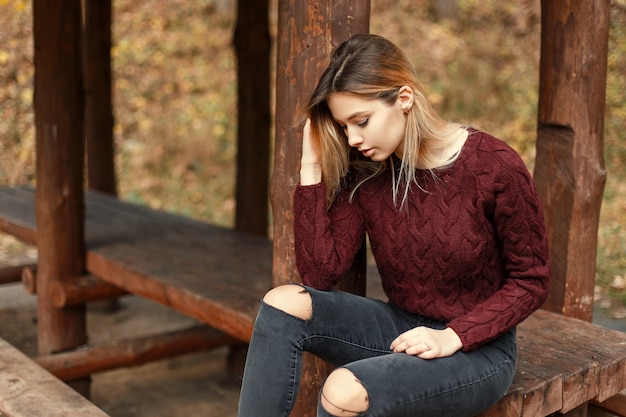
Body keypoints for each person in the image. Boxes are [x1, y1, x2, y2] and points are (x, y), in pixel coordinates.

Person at [237, 33, 550, 417]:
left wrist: (454, 335)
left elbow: (531, 280)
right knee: (283, 303)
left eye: (361, 121)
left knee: (343, 391)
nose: (352, 138)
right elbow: (319, 273)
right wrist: (311, 168)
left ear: (403, 99)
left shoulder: (494, 166)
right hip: (400, 326)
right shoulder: (368, 173)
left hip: (478, 350)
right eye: (343, 126)